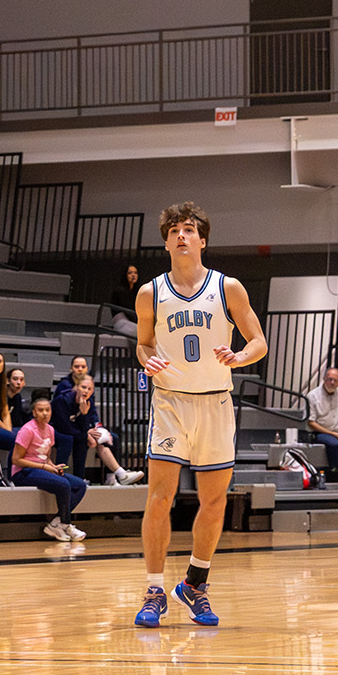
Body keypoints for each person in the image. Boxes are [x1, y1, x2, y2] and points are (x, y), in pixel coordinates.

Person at [132, 202, 268, 630]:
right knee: (159, 498)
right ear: (166, 242)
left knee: (214, 501)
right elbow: (143, 344)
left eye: (189, 229)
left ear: (202, 240)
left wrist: (240, 356)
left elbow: (259, 341)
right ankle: (155, 590)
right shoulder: (150, 293)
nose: (181, 235)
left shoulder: (228, 288)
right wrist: (148, 360)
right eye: (174, 230)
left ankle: (194, 584)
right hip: (171, 403)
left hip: (215, 403)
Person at [12, 390, 88, 542]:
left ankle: (57, 522)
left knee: (80, 485)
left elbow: (45, 457)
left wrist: (54, 466)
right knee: (64, 484)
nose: (45, 413)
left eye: (47, 410)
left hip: (42, 469)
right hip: (24, 472)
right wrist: (44, 467)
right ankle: (66, 524)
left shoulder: (50, 430)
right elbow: (16, 459)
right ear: (34, 412)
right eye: (40, 410)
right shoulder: (27, 430)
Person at [55, 373, 141, 485]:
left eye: (89, 389)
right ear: (76, 387)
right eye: (83, 387)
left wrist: (87, 420)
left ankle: (115, 477)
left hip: (79, 431)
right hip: (58, 431)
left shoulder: (89, 401)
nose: (86, 391)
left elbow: (89, 422)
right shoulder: (63, 400)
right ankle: (78, 478)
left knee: (110, 438)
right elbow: (64, 426)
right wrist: (87, 433)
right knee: (81, 439)